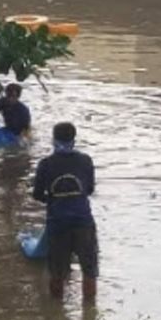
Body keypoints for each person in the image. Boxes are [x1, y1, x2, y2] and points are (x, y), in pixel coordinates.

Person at [31, 122, 98, 301]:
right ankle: (90, 314)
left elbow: (37, 194)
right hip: (83, 221)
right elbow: (89, 189)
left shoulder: (46, 164)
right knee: (89, 270)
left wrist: (54, 199)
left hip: (58, 222)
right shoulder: (86, 160)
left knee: (57, 272)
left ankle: (56, 314)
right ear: (74, 140)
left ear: (54, 140)